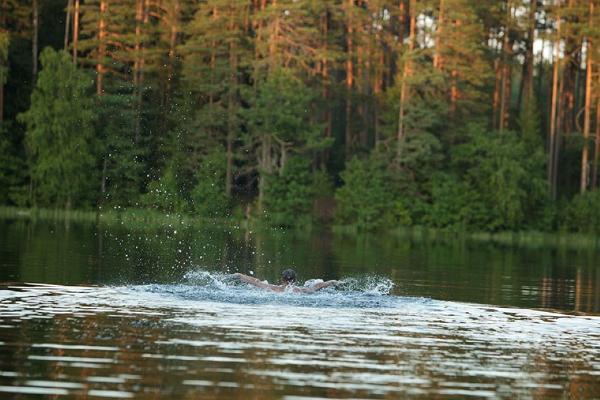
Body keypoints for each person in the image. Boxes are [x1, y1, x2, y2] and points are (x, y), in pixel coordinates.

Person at [233, 269, 338, 294]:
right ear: (295, 280)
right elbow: (318, 285)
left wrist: (239, 275)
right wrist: (333, 281)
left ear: (282, 279)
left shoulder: (273, 288)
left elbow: (255, 282)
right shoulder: (301, 290)